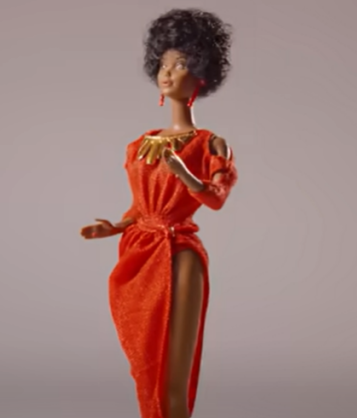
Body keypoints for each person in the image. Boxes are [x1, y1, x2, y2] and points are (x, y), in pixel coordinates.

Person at [80, 8, 237, 418]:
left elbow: (216, 198)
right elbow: (141, 206)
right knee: (146, 361)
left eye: (180, 63)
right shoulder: (139, 144)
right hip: (139, 254)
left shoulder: (211, 144)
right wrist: (115, 226)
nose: (168, 73)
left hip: (179, 253)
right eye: (163, 64)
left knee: (174, 373)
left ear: (201, 73)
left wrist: (186, 174)